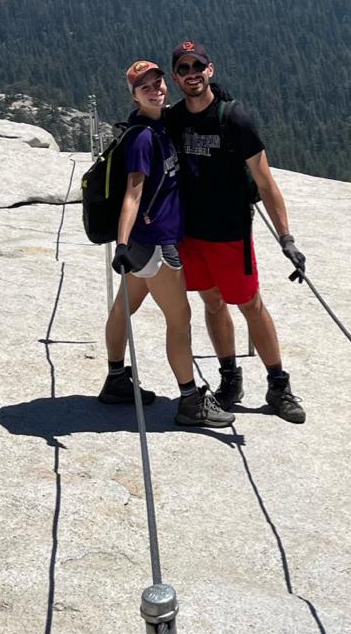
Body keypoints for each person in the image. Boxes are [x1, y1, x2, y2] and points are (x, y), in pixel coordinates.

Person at [164, 40, 307, 423]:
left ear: (210, 70)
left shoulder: (234, 118)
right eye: (183, 68)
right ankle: (230, 378)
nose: (191, 73)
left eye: (198, 66)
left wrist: (286, 238)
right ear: (176, 76)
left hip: (230, 234)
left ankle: (278, 384)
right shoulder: (174, 119)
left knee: (249, 304)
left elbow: (265, 181)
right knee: (211, 302)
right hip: (191, 235)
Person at [99, 59, 234, 429]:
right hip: (156, 244)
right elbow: (133, 192)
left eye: (158, 82)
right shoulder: (144, 137)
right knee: (180, 320)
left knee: (124, 307)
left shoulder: (158, 123)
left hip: (144, 247)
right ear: (133, 94)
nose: (156, 89)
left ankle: (115, 380)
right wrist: (122, 243)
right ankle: (190, 400)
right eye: (146, 86)